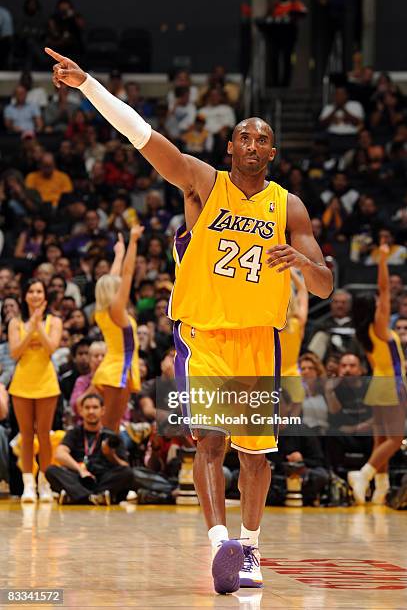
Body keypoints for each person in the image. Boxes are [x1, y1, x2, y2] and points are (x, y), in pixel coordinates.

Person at [45, 46, 332, 594]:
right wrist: (87, 86)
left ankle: (249, 547)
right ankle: (220, 543)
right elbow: (143, 136)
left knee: (256, 457)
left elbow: (324, 284)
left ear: (273, 151)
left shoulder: (290, 208)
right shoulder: (203, 182)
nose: (253, 144)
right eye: (244, 137)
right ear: (231, 147)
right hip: (202, 336)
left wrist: (303, 264)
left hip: (256, 341)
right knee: (209, 442)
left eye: (263, 139)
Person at [348, 244, 407, 505]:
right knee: (395, 439)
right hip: (391, 384)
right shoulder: (380, 325)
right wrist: (383, 260)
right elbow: (385, 289)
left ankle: (380, 490)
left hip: (377, 384)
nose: (379, 301)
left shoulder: (365, 331)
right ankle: (363, 474)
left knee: (381, 439)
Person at [8, 278, 62, 502]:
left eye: (39, 291)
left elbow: (51, 348)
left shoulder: (54, 321)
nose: (35, 295)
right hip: (21, 383)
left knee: (45, 436)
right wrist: (31, 325)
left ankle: (45, 483)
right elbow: (15, 352)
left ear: (45, 296)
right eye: (31, 291)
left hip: (47, 383)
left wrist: (39, 324)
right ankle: (28, 483)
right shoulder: (15, 323)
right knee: (27, 435)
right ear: (25, 296)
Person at [92, 230, 143, 432]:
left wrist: (119, 254)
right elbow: (128, 273)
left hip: (115, 368)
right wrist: (133, 242)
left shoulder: (104, 310)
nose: (122, 286)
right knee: (110, 426)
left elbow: (113, 278)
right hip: (117, 372)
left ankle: (105, 460)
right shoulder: (116, 311)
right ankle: (100, 462)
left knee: (111, 425)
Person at [46, 393, 134, 505]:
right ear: (81, 411)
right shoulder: (74, 433)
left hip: (103, 478)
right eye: (87, 408)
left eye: (95, 407)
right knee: (51, 470)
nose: (91, 411)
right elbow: (60, 454)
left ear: (102, 410)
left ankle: (78, 496)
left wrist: (111, 455)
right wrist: (79, 469)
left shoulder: (112, 436)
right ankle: (94, 497)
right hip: (79, 477)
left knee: (127, 473)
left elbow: (125, 466)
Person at [280, 270, 308, 415]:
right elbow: (303, 290)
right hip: (292, 376)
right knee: (294, 425)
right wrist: (290, 270)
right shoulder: (298, 323)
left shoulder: (269, 326)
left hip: (270, 376)